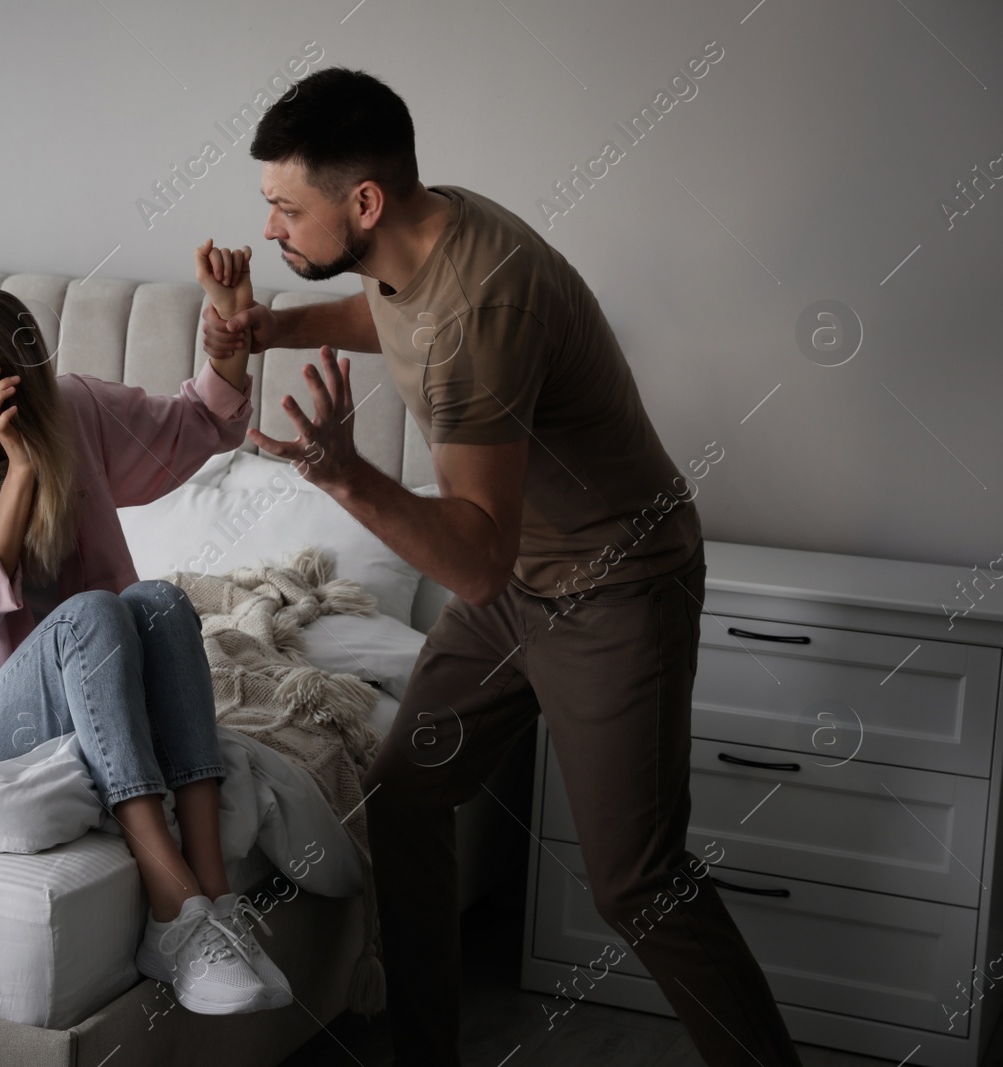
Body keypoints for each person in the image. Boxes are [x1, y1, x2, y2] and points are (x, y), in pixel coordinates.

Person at [198, 67, 803, 1065]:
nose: (268, 230)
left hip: (614, 587)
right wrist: (270, 325)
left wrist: (346, 477)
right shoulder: (424, 232)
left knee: (636, 881)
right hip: (522, 574)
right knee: (405, 792)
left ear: (361, 201)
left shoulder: (482, 313)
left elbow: (472, 566)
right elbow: (386, 315)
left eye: (281, 207)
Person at [0, 246, 293, 1016]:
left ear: (20, 398)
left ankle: (217, 903)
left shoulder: (76, 412)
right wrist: (21, 474)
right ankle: (172, 906)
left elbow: (198, 427)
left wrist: (227, 343)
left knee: (158, 600)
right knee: (95, 609)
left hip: (95, 683)